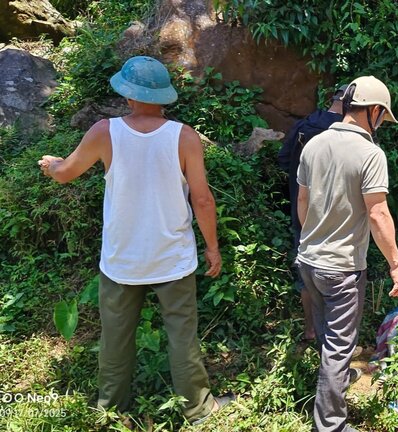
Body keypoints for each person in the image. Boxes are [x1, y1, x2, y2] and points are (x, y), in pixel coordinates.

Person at [38, 56, 232, 425]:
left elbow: (65, 173)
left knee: (115, 338)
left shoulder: (104, 132)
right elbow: (203, 199)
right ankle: (198, 409)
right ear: (164, 97)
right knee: (182, 336)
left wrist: (51, 165)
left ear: (127, 94)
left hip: (122, 259)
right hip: (173, 258)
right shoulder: (185, 136)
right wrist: (212, 247)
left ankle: (111, 410)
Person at [296, 75, 398, 431]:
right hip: (342, 268)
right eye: (381, 118)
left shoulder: (314, 144)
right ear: (374, 111)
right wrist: (396, 265)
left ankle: (331, 387)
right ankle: (330, 424)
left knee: (326, 336)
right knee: (338, 347)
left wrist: (314, 237)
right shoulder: (370, 154)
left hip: (309, 261)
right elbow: (377, 213)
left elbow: (302, 201)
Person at [278, 84, 347, 342]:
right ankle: (334, 338)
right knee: (339, 275)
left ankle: (311, 330)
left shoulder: (303, 126)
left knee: (307, 271)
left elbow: (284, 160)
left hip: (301, 209)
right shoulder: (348, 134)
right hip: (338, 216)